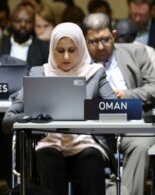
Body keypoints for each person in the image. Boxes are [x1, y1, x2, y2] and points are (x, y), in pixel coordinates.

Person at [2, 22, 116, 195]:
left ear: (81, 48)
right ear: (51, 49)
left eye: (72, 50)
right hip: (48, 143)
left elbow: (115, 110)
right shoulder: (39, 74)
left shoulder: (95, 73)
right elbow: (8, 120)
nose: (66, 57)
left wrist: (83, 109)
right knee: (48, 160)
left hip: (86, 143)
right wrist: (31, 116)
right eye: (60, 51)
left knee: (91, 160)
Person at [82, 13, 155, 195]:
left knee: (142, 145)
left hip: (131, 124)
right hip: (91, 128)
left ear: (114, 35)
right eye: (93, 42)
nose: (101, 46)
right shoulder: (78, 60)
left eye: (105, 39)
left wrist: (127, 94)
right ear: (84, 40)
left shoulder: (136, 52)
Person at [0, 3, 49, 69]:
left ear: (34, 23)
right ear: (10, 22)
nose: (23, 25)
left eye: (28, 21)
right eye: (18, 21)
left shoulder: (43, 48)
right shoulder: (2, 43)